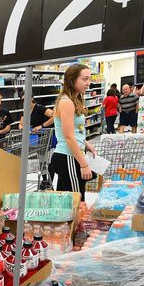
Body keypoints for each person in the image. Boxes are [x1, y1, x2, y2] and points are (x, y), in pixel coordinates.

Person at [49, 64, 98, 200]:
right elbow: (69, 137)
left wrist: (86, 143)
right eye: (85, 79)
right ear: (72, 79)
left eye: (89, 79)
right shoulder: (67, 102)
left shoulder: (73, 100)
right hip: (67, 157)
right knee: (77, 202)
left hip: (69, 156)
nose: (88, 83)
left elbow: (75, 131)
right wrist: (84, 164)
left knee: (65, 202)